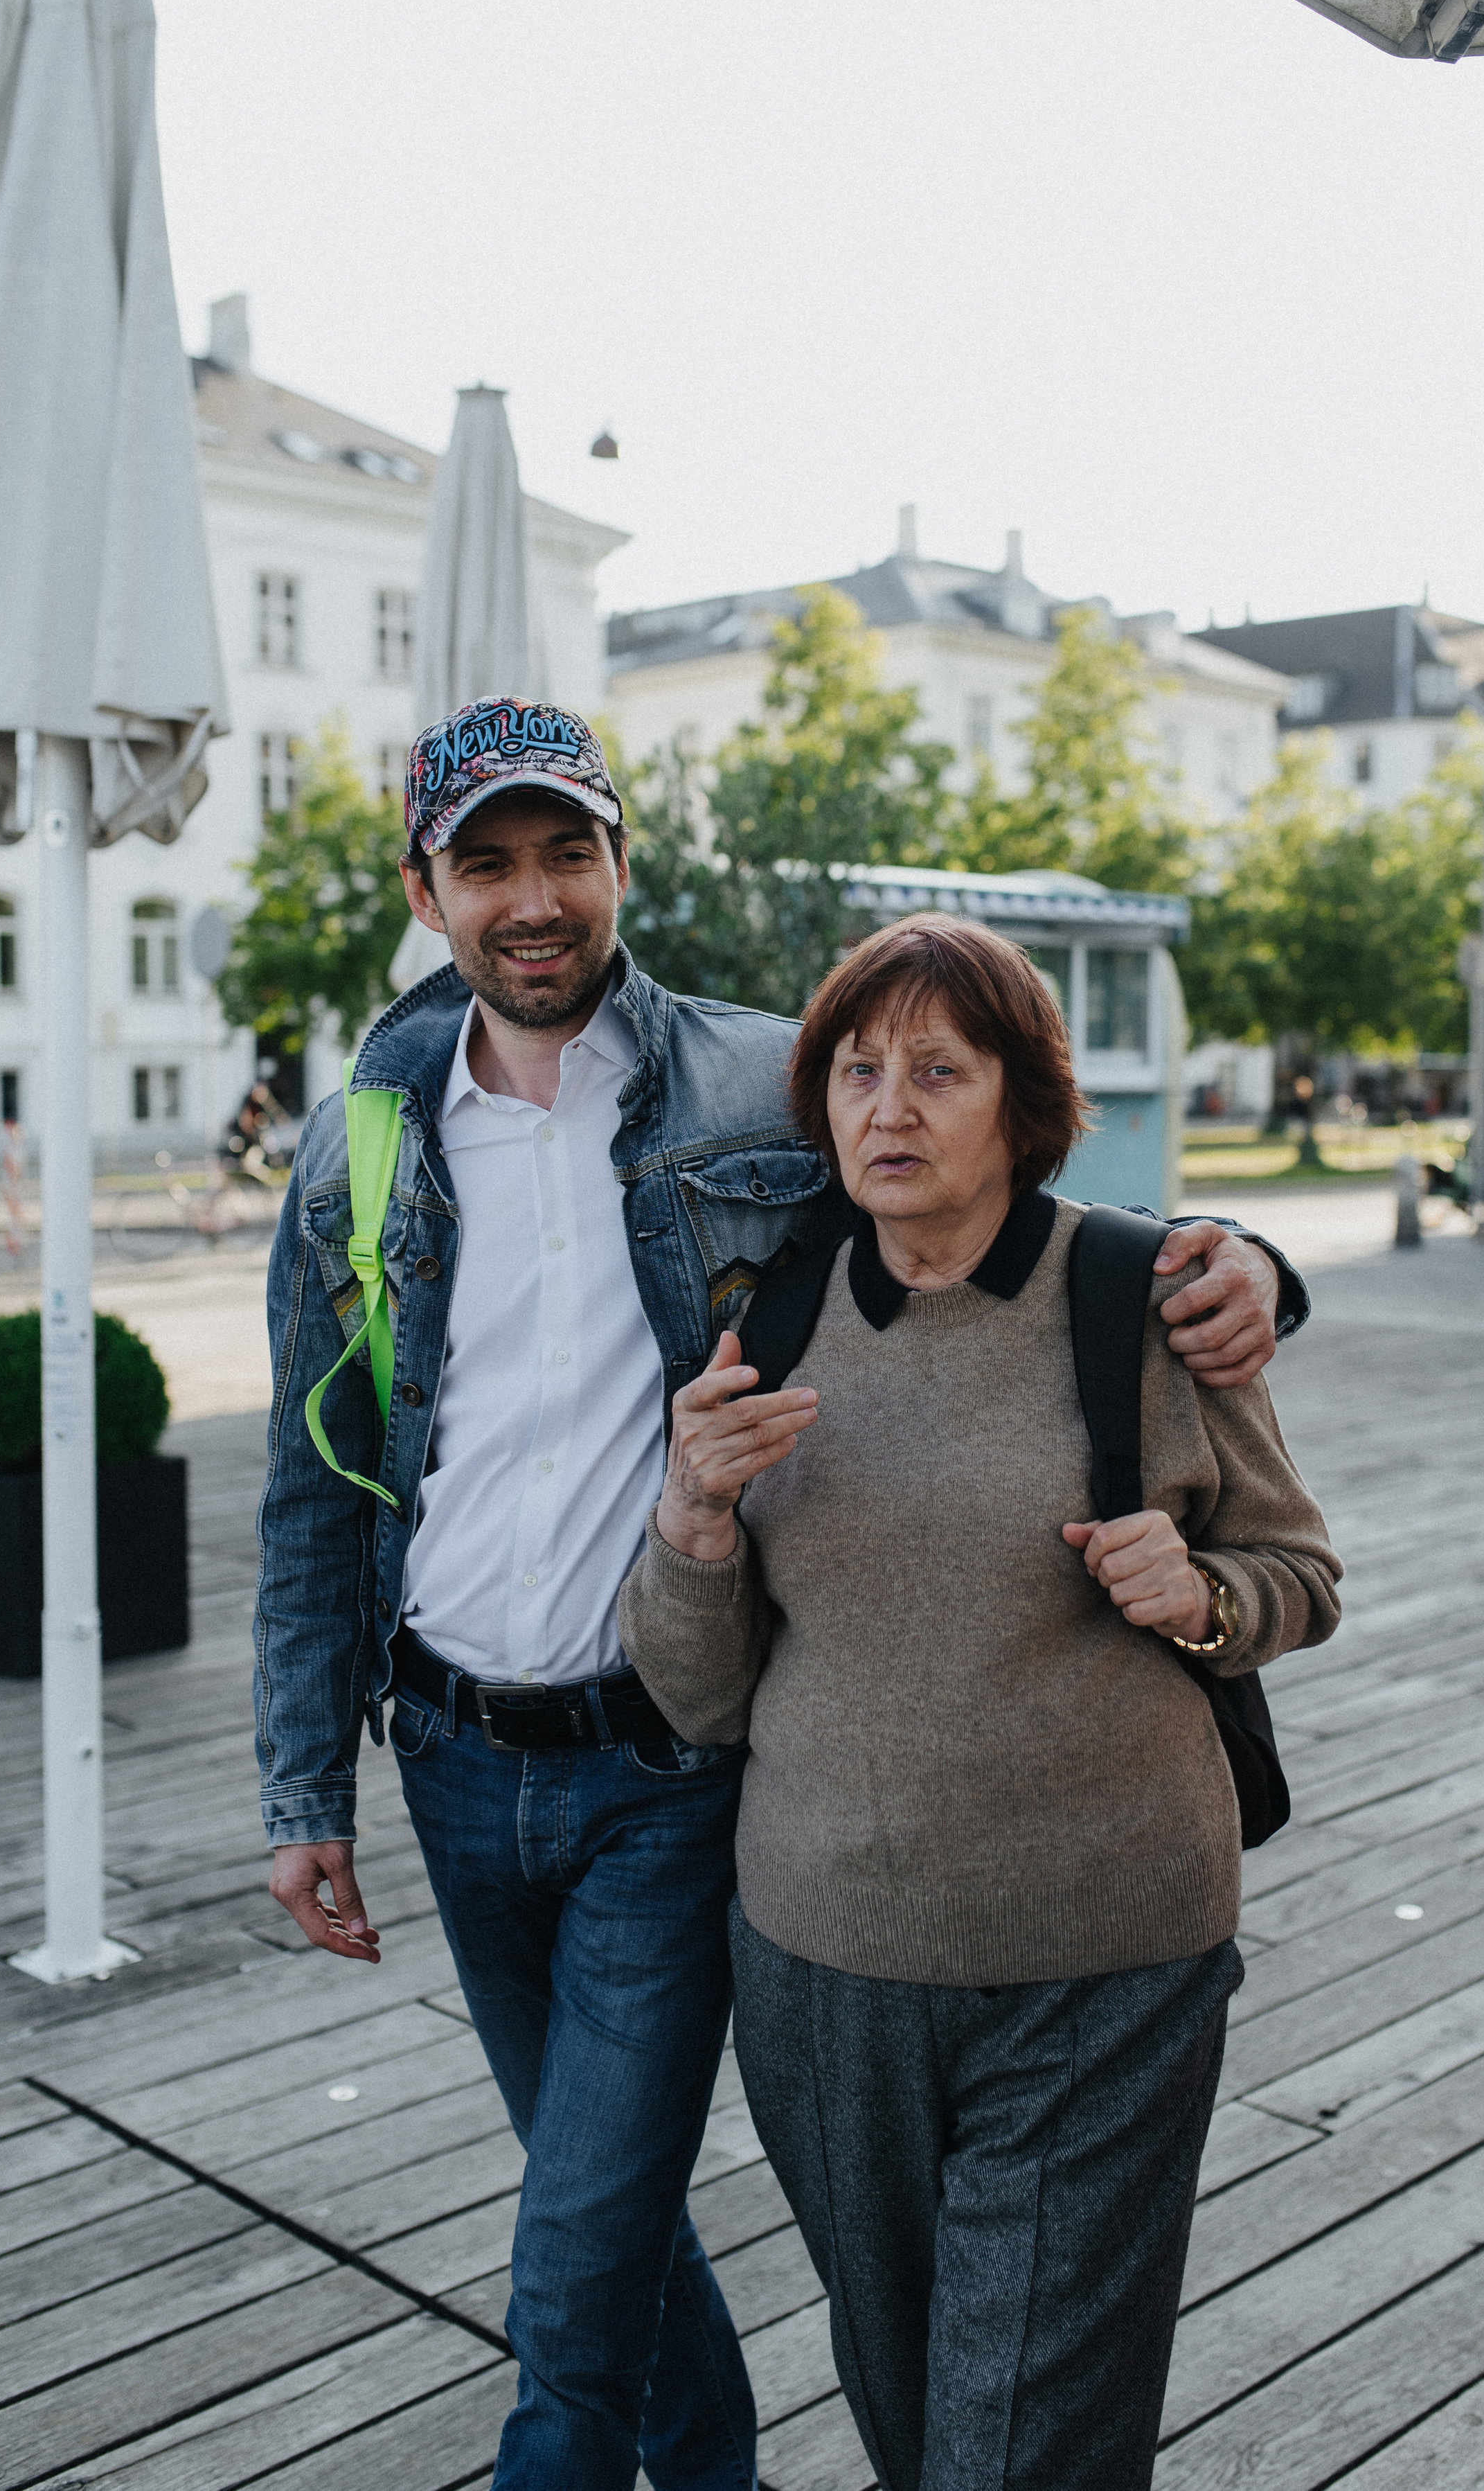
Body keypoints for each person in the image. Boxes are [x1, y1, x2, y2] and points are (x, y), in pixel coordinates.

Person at [254, 698, 1309, 2491]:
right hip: (445, 1747)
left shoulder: (762, 1079)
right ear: (423, 886)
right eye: (486, 862)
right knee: (607, 2219)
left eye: (565, 852)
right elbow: (312, 1486)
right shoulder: (358, 1145)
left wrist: (1263, 1265)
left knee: (574, 2261)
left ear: (617, 864)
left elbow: (998, 1173)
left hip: (673, 1766)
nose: (533, 899)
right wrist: (303, 1785)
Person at [620, 914, 1342, 2491]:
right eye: (857, 1072)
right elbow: (700, 1690)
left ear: (1022, 1101)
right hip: (825, 1978)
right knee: (909, 2405)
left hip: (1108, 1961)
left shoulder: (1145, 1296)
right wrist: (690, 1526)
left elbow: (1297, 1570)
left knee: (1021, 2446)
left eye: (937, 1071)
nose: (888, 1109)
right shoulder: (770, 1316)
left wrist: (1202, 1591)